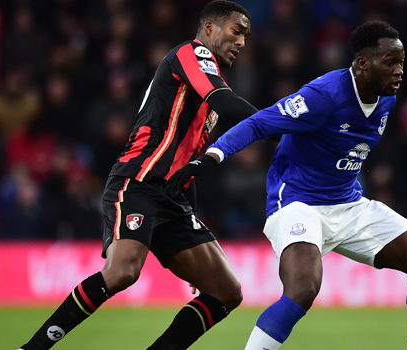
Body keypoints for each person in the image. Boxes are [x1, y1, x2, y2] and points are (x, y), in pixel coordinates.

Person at [172, 21, 407, 350]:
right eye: (390, 62)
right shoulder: (324, 95)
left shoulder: (386, 99)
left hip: (348, 204)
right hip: (296, 203)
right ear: (363, 64)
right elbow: (260, 122)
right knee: (302, 290)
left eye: (401, 62)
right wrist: (214, 156)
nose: (399, 70)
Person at [18, 1, 259, 350]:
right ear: (209, 28)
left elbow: (187, 160)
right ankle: (32, 347)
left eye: (246, 37)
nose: (241, 42)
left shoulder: (210, 90)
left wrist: (191, 231)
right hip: (138, 182)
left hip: (173, 200)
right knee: (122, 272)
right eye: (237, 31)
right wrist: (282, 122)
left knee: (226, 291)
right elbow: (227, 102)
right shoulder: (192, 54)